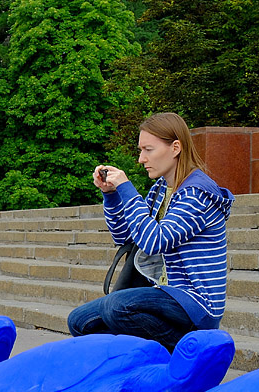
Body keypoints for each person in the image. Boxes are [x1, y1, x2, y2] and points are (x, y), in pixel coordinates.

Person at [67, 112, 235, 352]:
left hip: (195, 302)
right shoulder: (161, 189)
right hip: (161, 294)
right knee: (80, 321)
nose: (141, 159)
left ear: (175, 147)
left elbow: (154, 241)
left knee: (117, 307)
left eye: (148, 150)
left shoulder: (197, 193)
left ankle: (192, 351)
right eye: (140, 150)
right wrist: (112, 196)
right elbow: (125, 237)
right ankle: (140, 364)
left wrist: (126, 188)